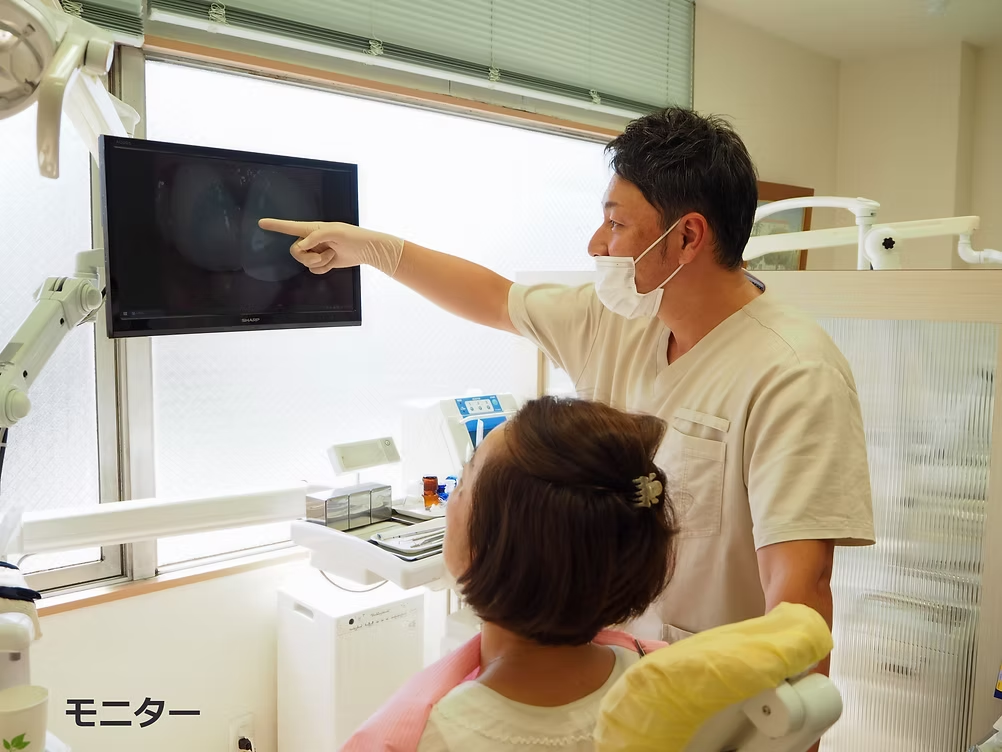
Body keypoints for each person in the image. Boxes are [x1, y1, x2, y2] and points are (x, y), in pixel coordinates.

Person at [260, 107, 875, 665]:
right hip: (599, 675)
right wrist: (372, 249)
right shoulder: (619, 318)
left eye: (616, 223)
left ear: (688, 237)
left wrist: (788, 729)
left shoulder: (793, 373)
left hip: (708, 697)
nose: (595, 244)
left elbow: (800, 596)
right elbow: (496, 299)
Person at [344, 395, 677, 751]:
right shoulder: (668, 682)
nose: (450, 500)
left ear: (492, 547)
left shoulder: (424, 740)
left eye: (462, 483)